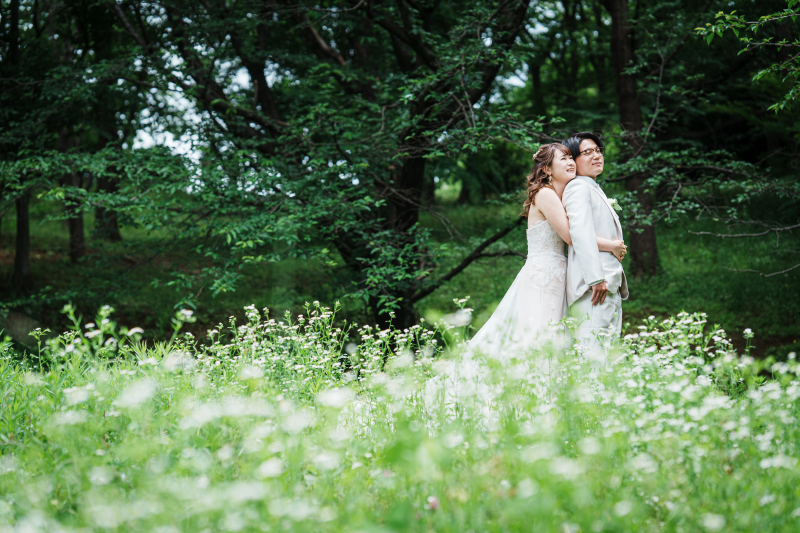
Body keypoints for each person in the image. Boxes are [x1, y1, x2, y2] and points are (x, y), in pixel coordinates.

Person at [467, 143, 626, 358]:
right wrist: (612, 245)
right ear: (547, 169)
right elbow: (571, 236)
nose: (570, 162)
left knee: (556, 336)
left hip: (558, 272)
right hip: (545, 274)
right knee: (540, 334)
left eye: (570, 158)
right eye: (563, 159)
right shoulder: (545, 194)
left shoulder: (561, 195)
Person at [561, 132, 629, 356]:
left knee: (607, 358)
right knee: (593, 358)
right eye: (587, 152)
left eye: (598, 150)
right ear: (573, 159)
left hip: (608, 285)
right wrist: (596, 278)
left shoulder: (592, 187)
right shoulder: (578, 187)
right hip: (594, 288)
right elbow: (579, 233)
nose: (596, 155)